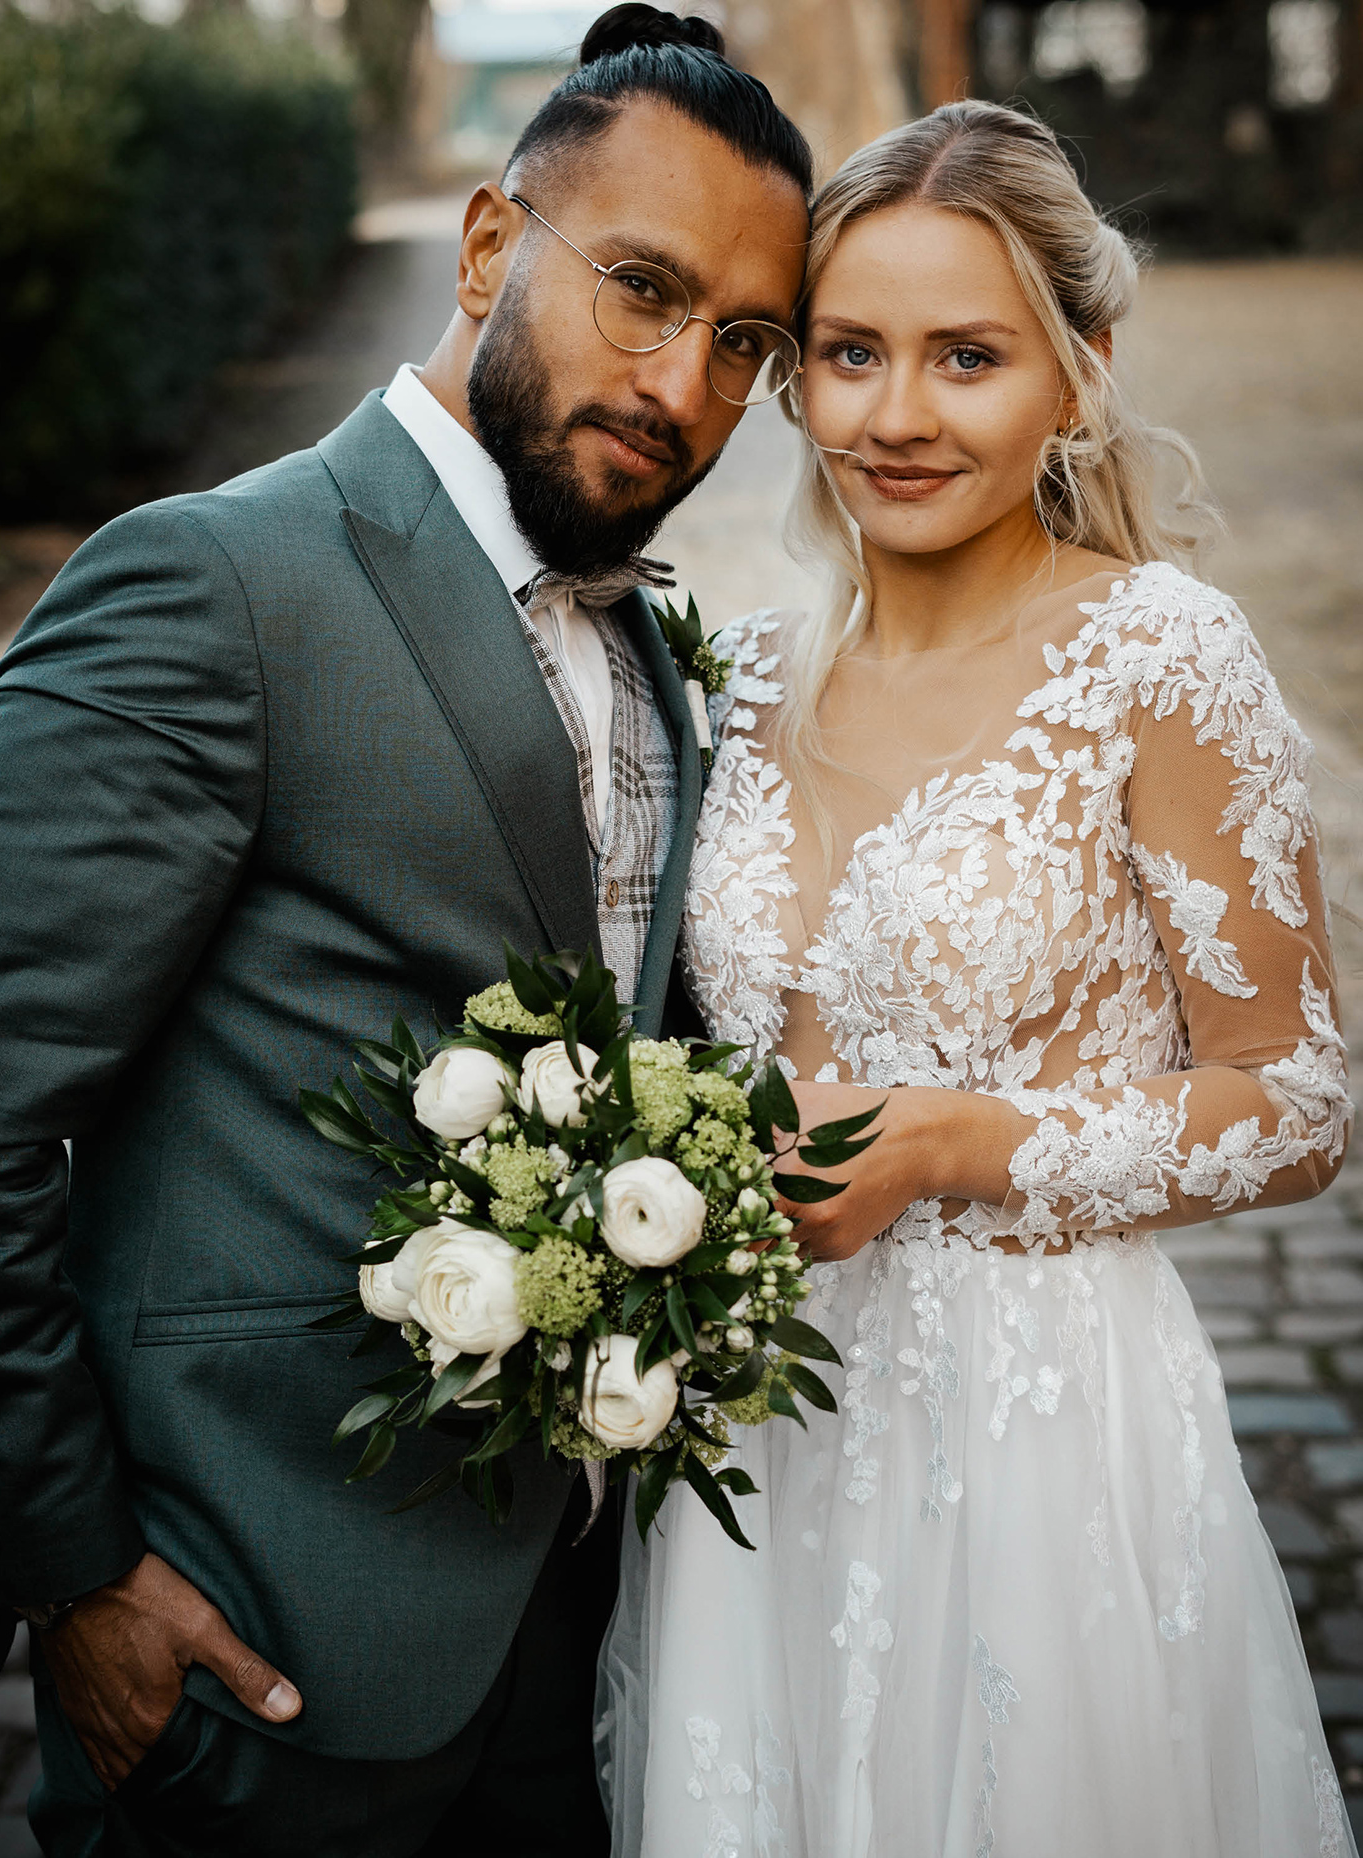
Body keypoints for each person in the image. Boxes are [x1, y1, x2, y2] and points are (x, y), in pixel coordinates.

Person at [0, 8, 810, 1852]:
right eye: (640, 288)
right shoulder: (210, 582)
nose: (682, 381)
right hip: (254, 1649)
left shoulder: (646, 639)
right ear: (485, 246)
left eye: (744, 343)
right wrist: (76, 1581)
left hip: (575, 1638)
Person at [600, 99, 1355, 1857]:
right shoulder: (745, 671)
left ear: (1078, 368)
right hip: (752, 1436)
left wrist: (955, 1144)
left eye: (965, 356)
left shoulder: (1157, 656)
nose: (897, 415)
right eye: (851, 353)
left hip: (1039, 1446)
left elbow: (1298, 1099)